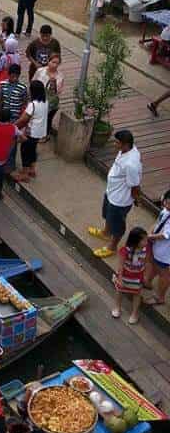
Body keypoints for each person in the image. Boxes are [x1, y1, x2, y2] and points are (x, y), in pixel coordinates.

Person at [88, 129, 142, 258]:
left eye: (117, 142)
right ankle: (106, 233)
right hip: (111, 192)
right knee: (107, 215)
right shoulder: (126, 150)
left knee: (117, 225)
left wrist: (136, 199)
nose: (114, 144)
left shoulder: (131, 164)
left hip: (120, 200)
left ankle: (112, 247)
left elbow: (135, 186)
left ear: (125, 144)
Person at [112, 227, 149, 325]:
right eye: (144, 239)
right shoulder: (125, 250)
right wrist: (119, 278)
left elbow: (145, 263)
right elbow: (121, 265)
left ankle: (134, 313)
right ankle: (117, 307)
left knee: (137, 294)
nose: (146, 241)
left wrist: (144, 276)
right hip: (125, 276)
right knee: (120, 291)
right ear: (136, 241)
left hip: (137, 277)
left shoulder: (146, 249)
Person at [14, 80, 48, 181]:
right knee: (32, 150)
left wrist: (13, 126)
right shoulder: (45, 101)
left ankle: (24, 174)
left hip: (31, 132)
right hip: (39, 132)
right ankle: (32, 169)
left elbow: (23, 119)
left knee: (25, 151)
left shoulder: (32, 105)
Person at [0, 64, 28, 172]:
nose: (14, 78)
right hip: (4, 118)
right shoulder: (2, 85)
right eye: (12, 76)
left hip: (16, 120)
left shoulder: (22, 87)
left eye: (16, 76)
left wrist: (22, 120)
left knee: (13, 143)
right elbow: (0, 100)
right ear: (8, 75)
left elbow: (24, 104)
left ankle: (10, 165)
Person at [144, 190, 170, 307]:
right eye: (166, 202)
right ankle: (148, 281)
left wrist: (149, 236)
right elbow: (158, 222)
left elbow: (165, 235)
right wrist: (150, 233)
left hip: (165, 252)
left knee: (164, 274)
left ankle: (160, 297)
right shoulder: (166, 210)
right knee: (154, 263)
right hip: (156, 246)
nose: (166, 205)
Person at [33, 53, 64, 138]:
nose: (54, 65)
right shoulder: (40, 71)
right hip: (38, 100)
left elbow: (57, 93)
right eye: (53, 62)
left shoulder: (60, 77)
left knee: (47, 120)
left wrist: (53, 82)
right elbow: (33, 82)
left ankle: (45, 135)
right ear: (48, 61)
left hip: (51, 104)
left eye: (57, 63)